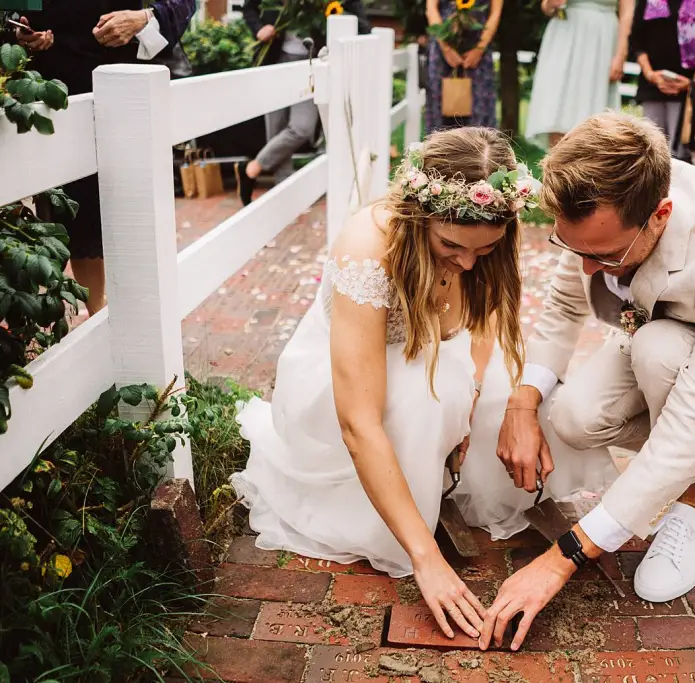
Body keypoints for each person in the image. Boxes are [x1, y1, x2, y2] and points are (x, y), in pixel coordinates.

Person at [230, 128, 618, 641]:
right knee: (425, 397)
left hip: (441, 356)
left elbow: (482, 326)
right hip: (352, 385)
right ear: (419, 216)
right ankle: (411, 517)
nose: (466, 262)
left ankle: (447, 463)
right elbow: (358, 422)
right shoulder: (369, 249)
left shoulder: (481, 236)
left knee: (521, 397)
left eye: (483, 250)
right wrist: (427, 561)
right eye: (450, 246)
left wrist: (477, 401)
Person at [478, 112, 695, 651]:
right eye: (574, 250)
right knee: (573, 417)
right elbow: (560, 310)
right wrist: (521, 406)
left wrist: (565, 558)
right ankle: (669, 478)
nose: (591, 270)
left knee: (660, 352)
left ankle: (694, 502)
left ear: (660, 215)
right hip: (650, 330)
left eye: (605, 255)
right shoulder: (602, 203)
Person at [18, 0, 196, 314]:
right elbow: (17, 8)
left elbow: (183, 2)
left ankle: (145, 318)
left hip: (130, 95)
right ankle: (98, 316)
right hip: (63, 98)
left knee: (135, 210)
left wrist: (144, 18)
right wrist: (22, 31)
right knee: (80, 218)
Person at [235, 0, 371, 206]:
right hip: (275, 59)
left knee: (301, 128)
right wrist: (259, 28)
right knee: (276, 129)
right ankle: (285, 199)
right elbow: (249, 8)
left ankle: (251, 168)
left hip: (312, 62)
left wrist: (331, 20)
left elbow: (362, 24)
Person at [524, 0, 634, 148]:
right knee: (557, 104)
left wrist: (621, 54)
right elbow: (547, 7)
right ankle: (556, 162)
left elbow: (627, 12)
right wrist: (552, 4)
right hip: (565, 34)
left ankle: (588, 163)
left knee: (592, 108)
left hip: (601, 37)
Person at [629, 0, 695, 157]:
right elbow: (636, 41)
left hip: (688, 90)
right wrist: (651, 75)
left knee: (679, 153)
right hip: (652, 85)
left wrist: (693, 81)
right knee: (650, 149)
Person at [423, 0, 502, 133]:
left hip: (479, 52)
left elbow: (495, 12)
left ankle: (478, 152)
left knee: (479, 114)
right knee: (440, 112)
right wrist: (446, 48)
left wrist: (479, 49)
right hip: (442, 50)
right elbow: (431, 8)